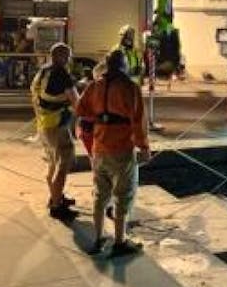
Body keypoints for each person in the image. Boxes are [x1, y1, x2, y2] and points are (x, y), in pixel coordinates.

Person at [76, 49, 150, 257]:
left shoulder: (95, 85)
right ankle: (120, 241)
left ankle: (98, 239)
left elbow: (81, 110)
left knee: (100, 196)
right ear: (123, 65)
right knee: (123, 196)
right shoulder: (129, 88)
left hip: (99, 148)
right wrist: (144, 147)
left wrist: (101, 118)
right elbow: (139, 121)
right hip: (121, 149)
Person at [31, 42, 80, 222]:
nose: (69, 60)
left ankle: (55, 196)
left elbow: (36, 94)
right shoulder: (62, 74)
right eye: (67, 56)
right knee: (64, 162)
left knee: (52, 162)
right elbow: (77, 103)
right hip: (58, 126)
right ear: (61, 56)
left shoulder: (43, 71)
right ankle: (57, 206)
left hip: (44, 124)